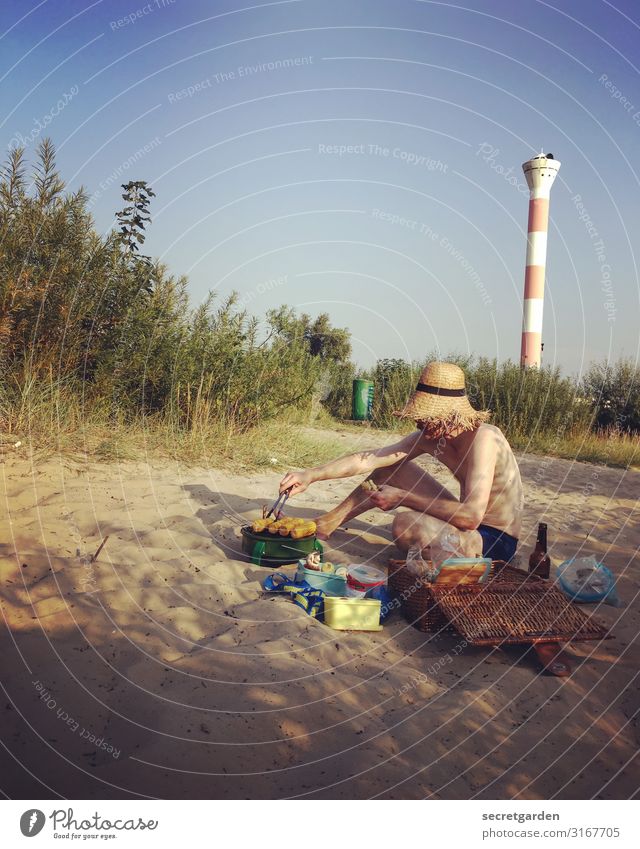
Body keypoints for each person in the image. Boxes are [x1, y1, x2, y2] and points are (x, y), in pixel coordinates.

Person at [279, 361, 523, 562]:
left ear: (449, 415)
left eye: (425, 417)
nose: (418, 423)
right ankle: (327, 523)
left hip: (493, 538)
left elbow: (471, 516)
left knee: (406, 525)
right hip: (465, 524)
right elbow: (368, 459)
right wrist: (310, 475)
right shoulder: (430, 437)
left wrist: (403, 498)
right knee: (391, 467)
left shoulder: (485, 439)